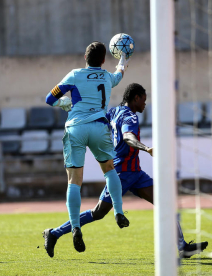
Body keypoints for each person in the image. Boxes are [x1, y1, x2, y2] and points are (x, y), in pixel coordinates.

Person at [43, 83, 208, 259]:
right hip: (121, 174)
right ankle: (53, 233)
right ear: (135, 98)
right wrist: (145, 148)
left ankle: (182, 246)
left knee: (165, 202)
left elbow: (98, 118)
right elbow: (128, 137)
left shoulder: (114, 111)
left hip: (136, 173)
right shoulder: (130, 117)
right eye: (143, 100)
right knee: (98, 212)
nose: (145, 104)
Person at [43, 42, 131, 254]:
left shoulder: (74, 75)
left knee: (74, 180)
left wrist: (64, 103)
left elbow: (49, 99)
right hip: (99, 127)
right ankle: (118, 211)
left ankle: (74, 227)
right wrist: (124, 59)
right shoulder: (108, 77)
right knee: (110, 170)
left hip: (76, 128)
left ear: (85, 57)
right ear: (103, 60)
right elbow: (119, 74)